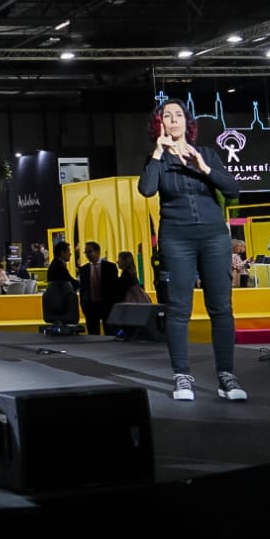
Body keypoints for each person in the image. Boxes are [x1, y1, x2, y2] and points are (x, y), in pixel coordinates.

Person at [137, 99, 246, 403]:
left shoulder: (208, 154)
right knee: (178, 309)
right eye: (166, 116)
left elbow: (232, 190)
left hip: (214, 236)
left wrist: (204, 167)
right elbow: (146, 189)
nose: (174, 120)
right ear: (159, 125)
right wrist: (158, 153)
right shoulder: (155, 160)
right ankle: (182, 375)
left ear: (188, 122)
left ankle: (226, 375)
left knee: (221, 307)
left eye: (178, 115)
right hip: (176, 238)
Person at [78, 241, 120, 334]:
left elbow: (114, 287)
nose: (87, 255)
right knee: (93, 334)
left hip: (107, 305)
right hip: (90, 306)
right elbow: (83, 289)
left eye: (89, 252)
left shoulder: (110, 267)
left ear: (97, 252)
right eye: (86, 252)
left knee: (110, 333)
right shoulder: (84, 270)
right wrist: (83, 304)